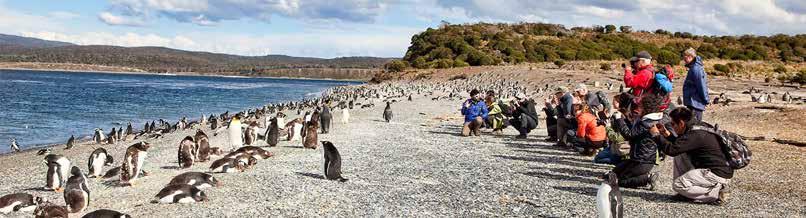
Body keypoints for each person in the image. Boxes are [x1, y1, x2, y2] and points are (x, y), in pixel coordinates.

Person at [650, 107, 732, 204]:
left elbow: (671, 150)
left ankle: (717, 194)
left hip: (716, 174)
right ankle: (686, 194)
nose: (672, 127)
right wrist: (666, 134)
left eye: (673, 124)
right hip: (717, 170)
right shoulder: (698, 127)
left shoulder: (695, 134)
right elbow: (679, 146)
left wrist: (656, 135)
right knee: (680, 155)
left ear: (681, 123)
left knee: (678, 185)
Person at [609, 93, 667, 190]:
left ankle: (648, 178)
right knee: (613, 174)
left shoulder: (647, 122)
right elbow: (633, 131)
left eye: (640, 106)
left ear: (646, 108)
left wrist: (619, 119)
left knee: (621, 181)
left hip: (643, 160)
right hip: (638, 158)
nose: (637, 108)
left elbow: (629, 135)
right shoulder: (649, 119)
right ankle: (642, 176)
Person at [682, 48, 709, 121]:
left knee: (695, 125)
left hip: (695, 103)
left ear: (690, 56)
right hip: (693, 103)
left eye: (685, 57)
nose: (683, 60)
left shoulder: (696, 69)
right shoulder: (693, 67)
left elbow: (701, 86)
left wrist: (706, 100)